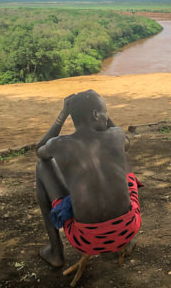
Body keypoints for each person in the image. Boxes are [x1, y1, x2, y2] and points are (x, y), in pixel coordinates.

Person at [35, 89, 141, 267]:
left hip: (85, 240)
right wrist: (104, 117)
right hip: (128, 228)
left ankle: (56, 252)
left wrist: (63, 115)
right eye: (105, 112)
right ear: (95, 114)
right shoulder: (116, 135)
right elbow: (125, 142)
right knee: (123, 154)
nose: (107, 117)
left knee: (42, 166)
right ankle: (127, 242)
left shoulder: (59, 144)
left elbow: (40, 152)